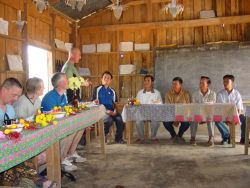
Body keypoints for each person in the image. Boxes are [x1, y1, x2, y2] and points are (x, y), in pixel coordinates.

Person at [41, 72, 86, 172]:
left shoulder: (62, 95)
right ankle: (62, 159)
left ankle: (71, 153)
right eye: (66, 79)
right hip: (49, 128)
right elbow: (50, 117)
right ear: (60, 83)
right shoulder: (50, 97)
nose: (68, 81)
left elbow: (65, 110)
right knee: (69, 131)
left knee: (81, 127)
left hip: (61, 124)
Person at [92, 71, 125, 144]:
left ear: (110, 80)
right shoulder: (97, 89)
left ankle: (118, 138)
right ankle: (104, 136)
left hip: (112, 111)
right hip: (101, 111)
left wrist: (115, 111)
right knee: (109, 120)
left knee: (120, 120)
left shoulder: (112, 91)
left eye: (108, 78)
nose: (106, 79)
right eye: (105, 77)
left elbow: (115, 103)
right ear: (101, 79)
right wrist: (106, 111)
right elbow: (95, 103)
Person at [216, 74, 246, 145]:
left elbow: (239, 109)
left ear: (232, 82)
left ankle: (243, 138)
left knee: (244, 119)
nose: (225, 83)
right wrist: (227, 118)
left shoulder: (237, 93)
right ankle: (226, 137)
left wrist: (235, 118)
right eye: (224, 81)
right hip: (224, 115)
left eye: (227, 81)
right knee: (217, 119)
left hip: (236, 115)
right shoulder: (220, 94)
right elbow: (220, 109)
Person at [135, 75, 162, 144]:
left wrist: (156, 104)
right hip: (142, 113)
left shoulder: (157, 93)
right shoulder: (140, 92)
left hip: (153, 113)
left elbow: (160, 104)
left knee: (156, 121)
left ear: (152, 82)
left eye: (148, 80)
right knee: (138, 121)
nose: (146, 82)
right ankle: (141, 138)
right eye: (145, 80)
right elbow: (136, 103)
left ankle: (153, 137)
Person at [190, 76, 216, 146]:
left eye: (203, 83)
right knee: (193, 117)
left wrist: (204, 115)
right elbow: (194, 107)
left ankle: (211, 137)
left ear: (208, 84)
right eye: (200, 82)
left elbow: (212, 106)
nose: (200, 84)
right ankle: (192, 137)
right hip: (197, 114)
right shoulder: (195, 94)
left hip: (208, 114)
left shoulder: (213, 94)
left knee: (210, 117)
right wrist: (200, 116)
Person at [163, 77, 190, 143]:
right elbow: (168, 108)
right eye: (173, 84)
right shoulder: (168, 93)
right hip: (172, 114)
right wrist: (175, 117)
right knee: (165, 121)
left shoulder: (186, 93)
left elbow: (188, 107)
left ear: (180, 85)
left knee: (187, 122)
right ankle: (174, 135)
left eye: (176, 84)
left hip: (183, 114)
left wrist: (179, 118)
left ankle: (179, 136)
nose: (174, 86)